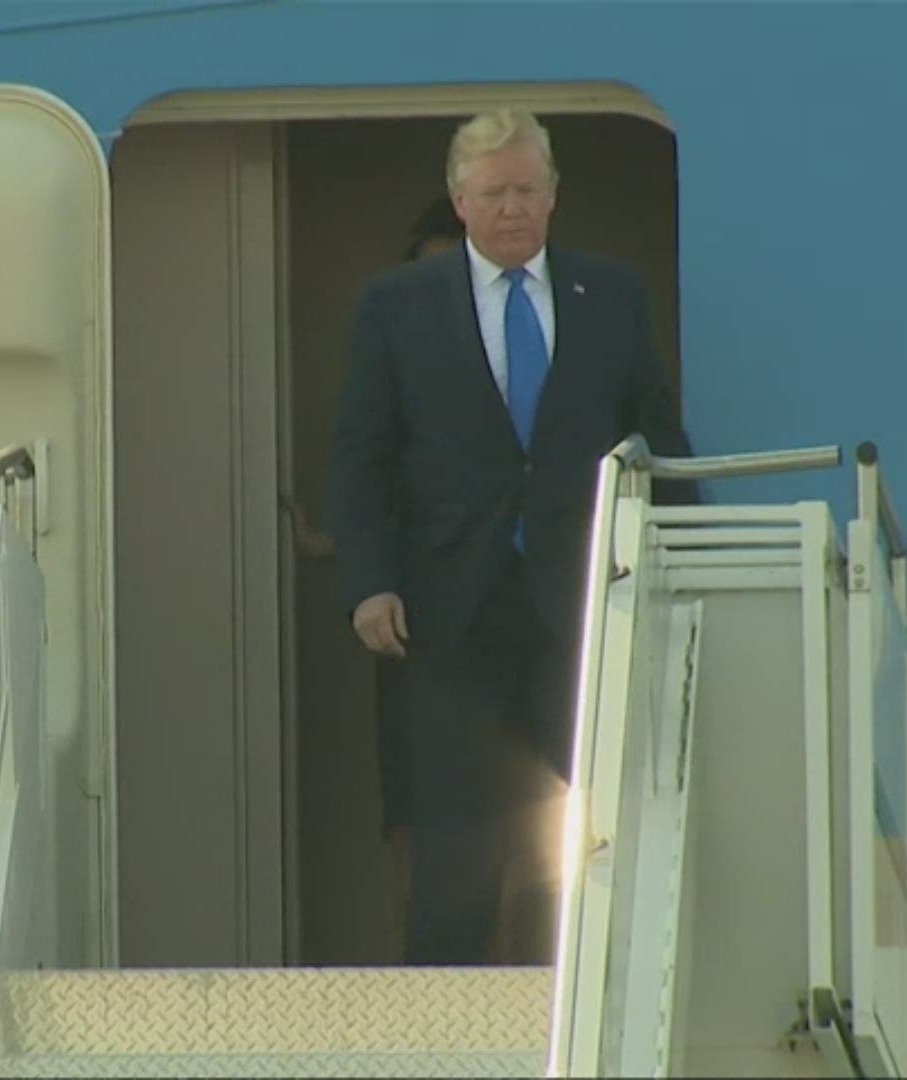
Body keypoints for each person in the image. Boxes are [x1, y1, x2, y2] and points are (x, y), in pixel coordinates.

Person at [326, 108, 697, 965]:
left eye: (527, 189)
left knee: (591, 825)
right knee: (458, 836)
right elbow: (360, 456)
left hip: (583, 607)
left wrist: (674, 573)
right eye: (493, 193)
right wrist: (369, 581)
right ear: (460, 201)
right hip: (448, 611)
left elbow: (659, 440)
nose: (511, 208)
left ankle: (582, 995)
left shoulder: (609, 295)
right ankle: (445, 1028)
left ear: (554, 194)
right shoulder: (396, 305)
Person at [288, 195, 465, 951]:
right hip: (413, 629)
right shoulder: (391, 373)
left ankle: (527, 974)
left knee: (529, 813)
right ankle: (417, 968)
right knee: (411, 804)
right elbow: (362, 473)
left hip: (519, 622)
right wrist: (352, 561)